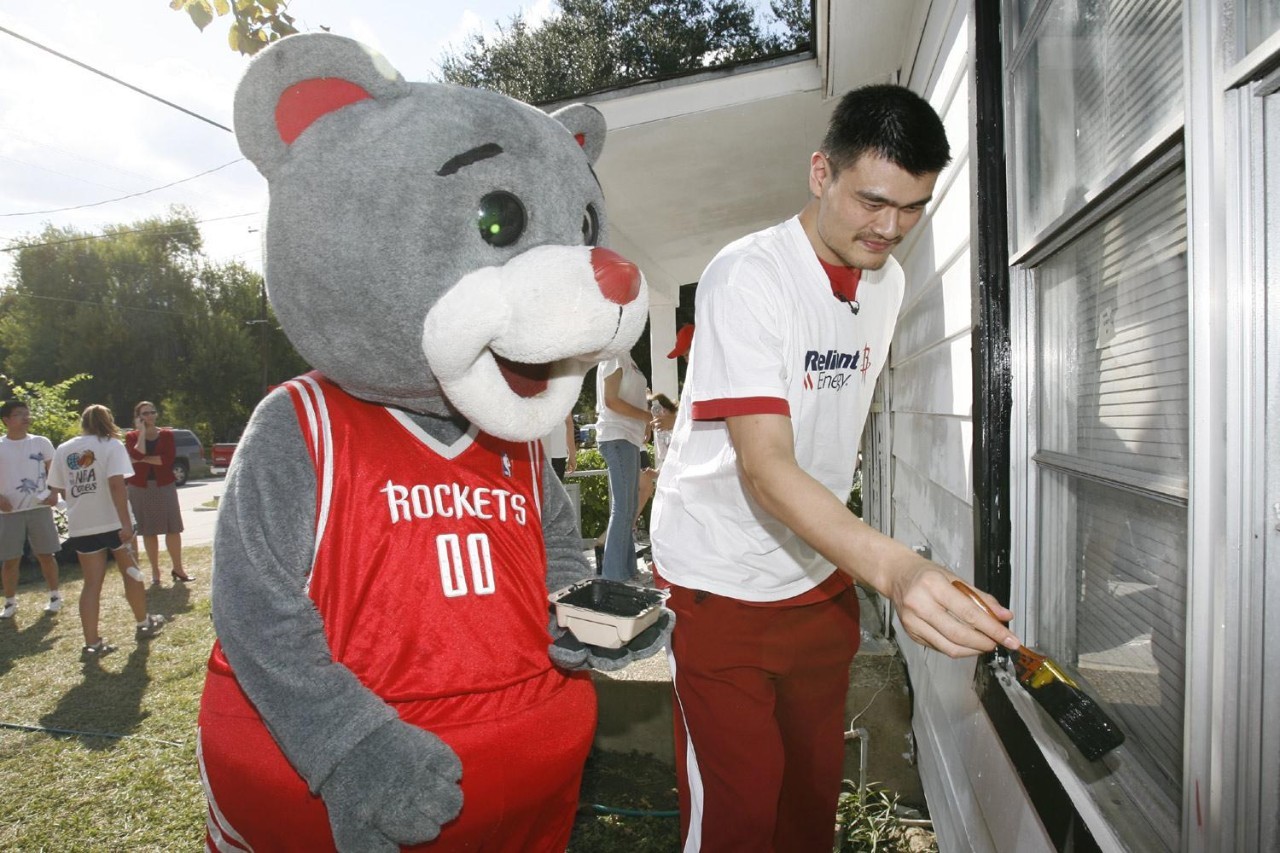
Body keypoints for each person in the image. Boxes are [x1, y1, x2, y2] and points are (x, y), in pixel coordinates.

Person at [649, 84, 1021, 852]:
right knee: (739, 815)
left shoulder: (889, 283)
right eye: (872, 200)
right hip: (717, 578)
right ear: (822, 172)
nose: (890, 228)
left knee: (810, 803)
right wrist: (900, 570)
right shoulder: (749, 273)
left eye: (912, 208)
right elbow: (766, 465)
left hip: (816, 579)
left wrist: (857, 566)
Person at [48, 405, 164, 658]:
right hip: (113, 522)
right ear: (109, 421)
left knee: (91, 584)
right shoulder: (111, 445)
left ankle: (92, 643)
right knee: (131, 573)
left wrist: (79, 508)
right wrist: (125, 523)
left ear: (83, 422)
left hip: (82, 525)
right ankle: (143, 622)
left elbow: (60, 489)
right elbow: (116, 485)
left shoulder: (64, 448)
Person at [0, 400, 62, 619]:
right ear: (6, 420)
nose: (26, 417)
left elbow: (53, 470)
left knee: (46, 553)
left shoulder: (41, 442)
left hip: (39, 508)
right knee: (10, 559)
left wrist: (54, 493)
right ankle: (9, 602)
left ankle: (55, 596)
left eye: (27, 413)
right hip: (8, 513)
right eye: (19, 414)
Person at [124, 401, 194, 585]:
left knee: (173, 527)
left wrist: (142, 459)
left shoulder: (167, 435)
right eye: (145, 413)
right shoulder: (131, 436)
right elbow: (135, 456)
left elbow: (166, 460)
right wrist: (141, 435)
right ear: (138, 417)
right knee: (149, 530)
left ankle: (178, 569)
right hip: (141, 487)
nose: (149, 416)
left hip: (164, 485)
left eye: (152, 412)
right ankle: (155, 572)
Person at [594, 350, 649, 581]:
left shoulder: (628, 356)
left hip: (630, 439)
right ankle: (613, 577)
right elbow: (611, 400)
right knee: (623, 507)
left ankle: (627, 570)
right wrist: (647, 417)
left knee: (629, 506)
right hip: (616, 436)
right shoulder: (614, 355)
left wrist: (644, 420)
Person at [540, 413, 577, 481]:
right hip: (540, 451)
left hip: (556, 451)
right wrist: (572, 454)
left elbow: (568, 422)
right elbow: (569, 422)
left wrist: (572, 454)